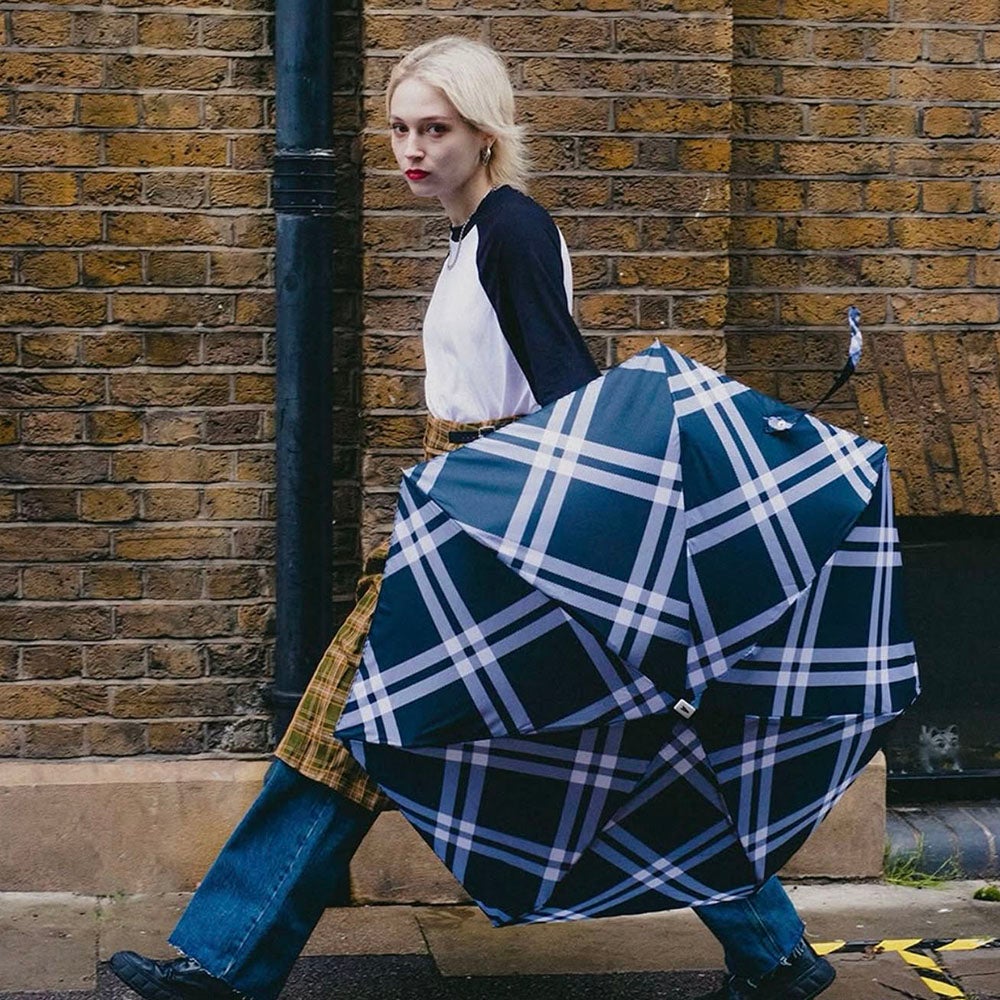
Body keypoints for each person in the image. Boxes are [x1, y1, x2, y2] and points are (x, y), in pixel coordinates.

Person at [109, 36, 835, 1000]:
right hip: (470, 511)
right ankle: (776, 956)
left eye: (436, 130)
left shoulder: (511, 231)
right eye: (400, 129)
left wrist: (551, 541)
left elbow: (571, 396)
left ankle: (226, 964)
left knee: (347, 723)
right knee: (606, 742)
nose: (413, 149)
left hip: (491, 525)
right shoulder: (474, 235)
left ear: (485, 132)